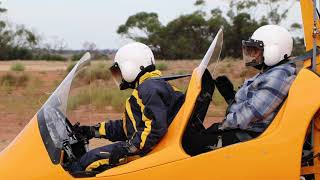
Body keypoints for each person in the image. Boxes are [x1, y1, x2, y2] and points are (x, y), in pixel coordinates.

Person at [70, 42, 184, 172]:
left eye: (119, 71)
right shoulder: (153, 86)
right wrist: (93, 131)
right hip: (152, 146)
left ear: (130, 67)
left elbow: (155, 127)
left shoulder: (148, 89)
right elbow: (129, 127)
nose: (119, 76)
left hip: (148, 151)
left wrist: (128, 148)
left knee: (87, 161)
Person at [186, 25, 297, 155]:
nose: (251, 55)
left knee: (190, 144)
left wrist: (223, 125)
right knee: (195, 138)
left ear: (273, 51)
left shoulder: (279, 76)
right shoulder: (271, 72)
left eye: (255, 50)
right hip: (246, 130)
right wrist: (230, 96)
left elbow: (253, 112)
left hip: (249, 137)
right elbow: (253, 104)